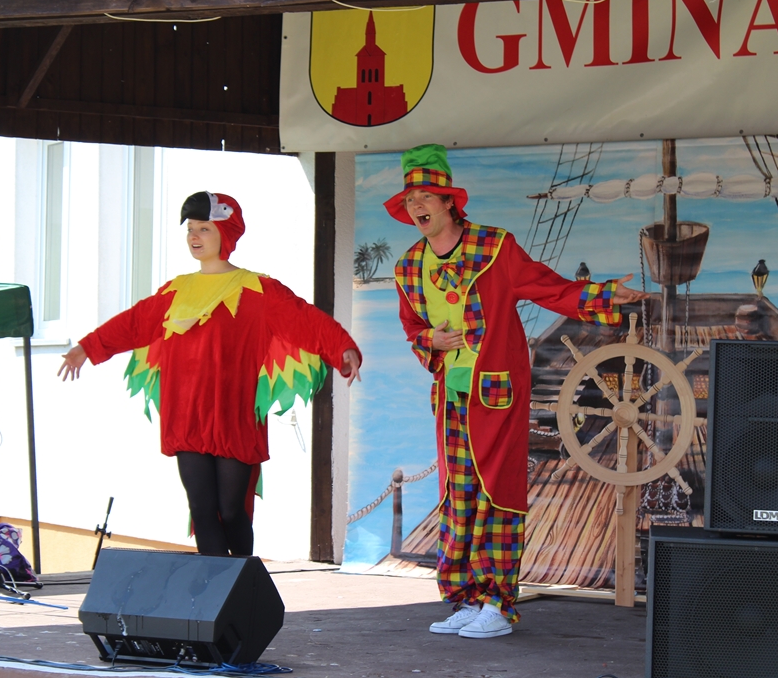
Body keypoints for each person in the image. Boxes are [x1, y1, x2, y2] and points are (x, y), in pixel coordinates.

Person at [384, 145, 648, 639]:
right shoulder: (409, 266)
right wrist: (430, 340)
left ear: (448, 202)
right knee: (457, 496)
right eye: (410, 198)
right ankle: (465, 597)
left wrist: (604, 294)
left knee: (497, 495)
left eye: (426, 196)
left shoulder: (493, 247)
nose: (417, 205)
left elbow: (550, 289)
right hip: (452, 400)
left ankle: (497, 604)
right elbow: (412, 326)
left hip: (497, 394)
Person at [59, 191, 361, 556]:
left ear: (226, 234)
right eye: (190, 229)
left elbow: (305, 319)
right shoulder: (176, 291)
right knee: (202, 510)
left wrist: (341, 347)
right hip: (186, 416)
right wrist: (87, 347)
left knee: (231, 511)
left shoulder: (258, 290)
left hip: (234, 417)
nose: (194, 236)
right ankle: (214, 588)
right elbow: (133, 323)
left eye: (204, 228)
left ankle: (242, 580)